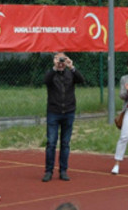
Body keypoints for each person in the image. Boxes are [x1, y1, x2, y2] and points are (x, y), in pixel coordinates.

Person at [43, 52, 86, 182]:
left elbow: (81, 80)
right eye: (58, 59)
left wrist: (71, 67)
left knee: (65, 143)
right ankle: (48, 171)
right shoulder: (51, 74)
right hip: (54, 112)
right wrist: (55, 68)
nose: (61, 62)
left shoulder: (70, 73)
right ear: (54, 61)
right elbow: (45, 80)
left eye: (63, 59)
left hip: (68, 112)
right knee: (51, 142)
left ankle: (63, 170)